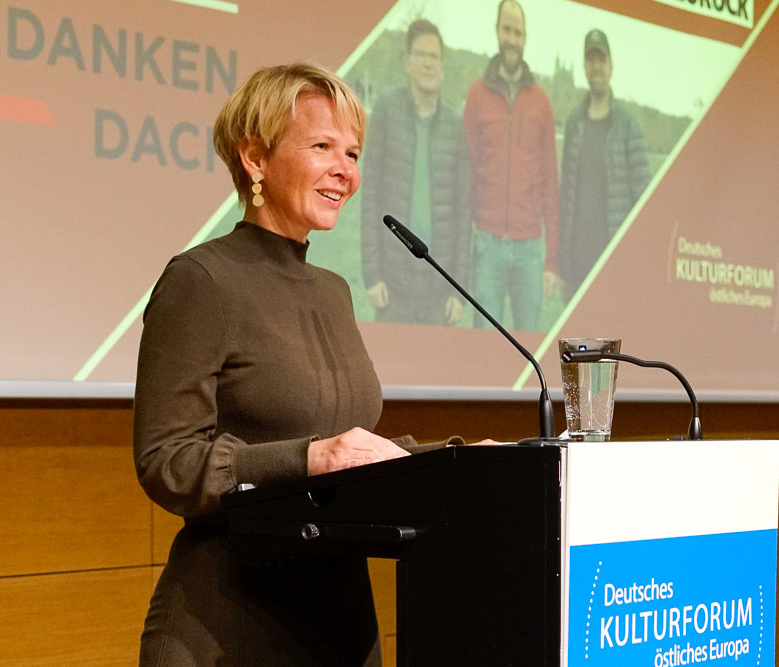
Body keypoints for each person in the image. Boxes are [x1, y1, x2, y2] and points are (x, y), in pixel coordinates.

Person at [133, 62, 462, 667]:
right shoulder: (202, 280)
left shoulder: (333, 290)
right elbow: (168, 462)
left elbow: (349, 452)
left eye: (353, 152)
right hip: (228, 626)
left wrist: (457, 459)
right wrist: (308, 457)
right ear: (255, 159)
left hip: (339, 623)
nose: (346, 170)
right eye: (322, 147)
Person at [360, 19, 471, 326]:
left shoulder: (454, 125)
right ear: (408, 62)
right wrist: (372, 275)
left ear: (443, 66)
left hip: (439, 284)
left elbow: (463, 213)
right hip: (393, 284)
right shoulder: (385, 111)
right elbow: (370, 199)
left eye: (434, 56)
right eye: (421, 55)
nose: (428, 63)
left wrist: (458, 290)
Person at [463, 0, 560, 331]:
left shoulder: (541, 103)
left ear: (525, 37)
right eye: (507, 30)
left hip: (529, 251)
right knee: (483, 350)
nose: (512, 39)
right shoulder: (477, 94)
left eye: (518, 32)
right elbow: (469, 172)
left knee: (527, 354)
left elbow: (550, 183)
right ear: (496, 31)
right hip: (487, 245)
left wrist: (551, 262)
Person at [558, 28, 651, 301]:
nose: (596, 67)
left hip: (612, 267)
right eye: (591, 60)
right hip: (576, 268)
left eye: (601, 60)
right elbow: (567, 194)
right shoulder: (575, 121)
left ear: (611, 66)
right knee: (575, 345)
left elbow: (643, 202)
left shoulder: (628, 125)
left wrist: (632, 262)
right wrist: (563, 263)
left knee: (609, 344)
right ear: (584, 66)